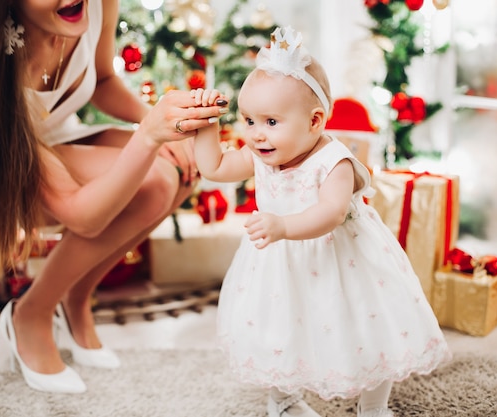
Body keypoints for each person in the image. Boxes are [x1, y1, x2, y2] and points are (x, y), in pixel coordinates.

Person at [0, 0, 227, 394]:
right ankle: (30, 313)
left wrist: (155, 122)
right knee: (154, 182)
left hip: (59, 135)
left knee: (182, 170)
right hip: (4, 164)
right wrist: (150, 134)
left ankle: (77, 297)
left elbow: (101, 81)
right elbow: (84, 218)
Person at [191, 26, 452, 417]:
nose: (257, 134)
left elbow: (329, 213)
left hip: (342, 260)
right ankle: (282, 397)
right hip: (280, 265)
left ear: (315, 121)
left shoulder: (334, 161)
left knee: (370, 328)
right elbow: (213, 166)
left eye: (271, 122)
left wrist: (283, 226)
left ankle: (374, 406)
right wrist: (206, 124)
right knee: (278, 329)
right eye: (248, 120)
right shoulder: (261, 153)